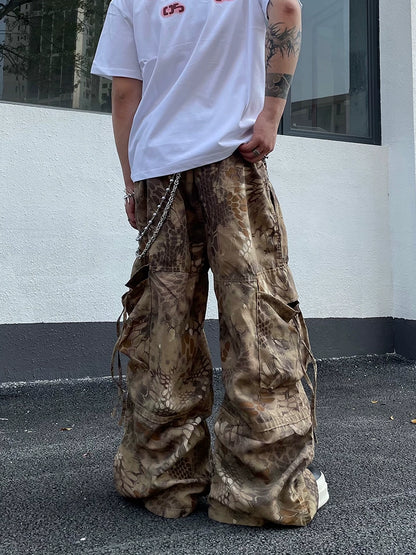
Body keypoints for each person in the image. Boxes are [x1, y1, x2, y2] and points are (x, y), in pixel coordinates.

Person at [91, 0, 329, 527]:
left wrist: (132, 183)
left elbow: (125, 93)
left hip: (159, 171)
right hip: (232, 158)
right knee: (254, 317)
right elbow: (287, 8)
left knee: (164, 326)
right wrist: (271, 114)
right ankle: (259, 492)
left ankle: (163, 481)